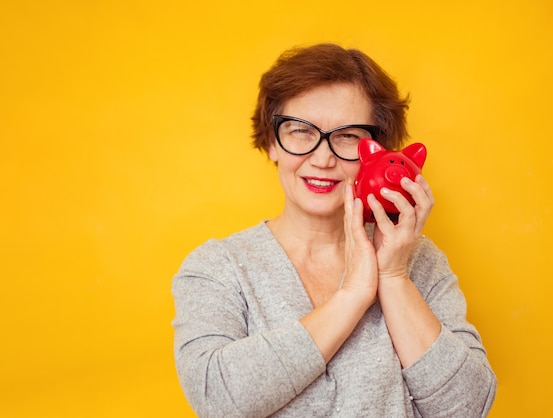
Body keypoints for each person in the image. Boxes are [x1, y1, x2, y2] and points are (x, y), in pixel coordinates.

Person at [172, 43, 497, 417]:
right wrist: (354, 294)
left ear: (376, 152)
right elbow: (218, 401)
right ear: (272, 142)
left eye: (347, 136)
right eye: (299, 131)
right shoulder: (218, 268)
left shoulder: (418, 260)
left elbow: (468, 407)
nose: (323, 158)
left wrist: (392, 276)